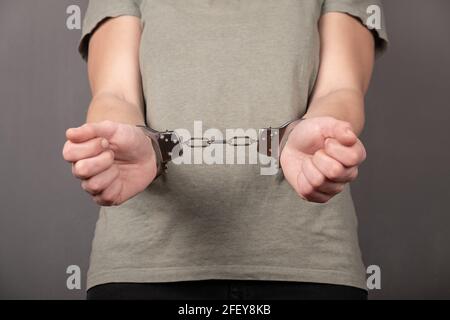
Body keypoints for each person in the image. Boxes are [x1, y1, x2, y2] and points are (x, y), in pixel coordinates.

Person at [63, 0, 388, 300]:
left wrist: (320, 140)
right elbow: (116, 94)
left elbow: (341, 88)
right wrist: (132, 143)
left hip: (310, 259)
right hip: (144, 263)